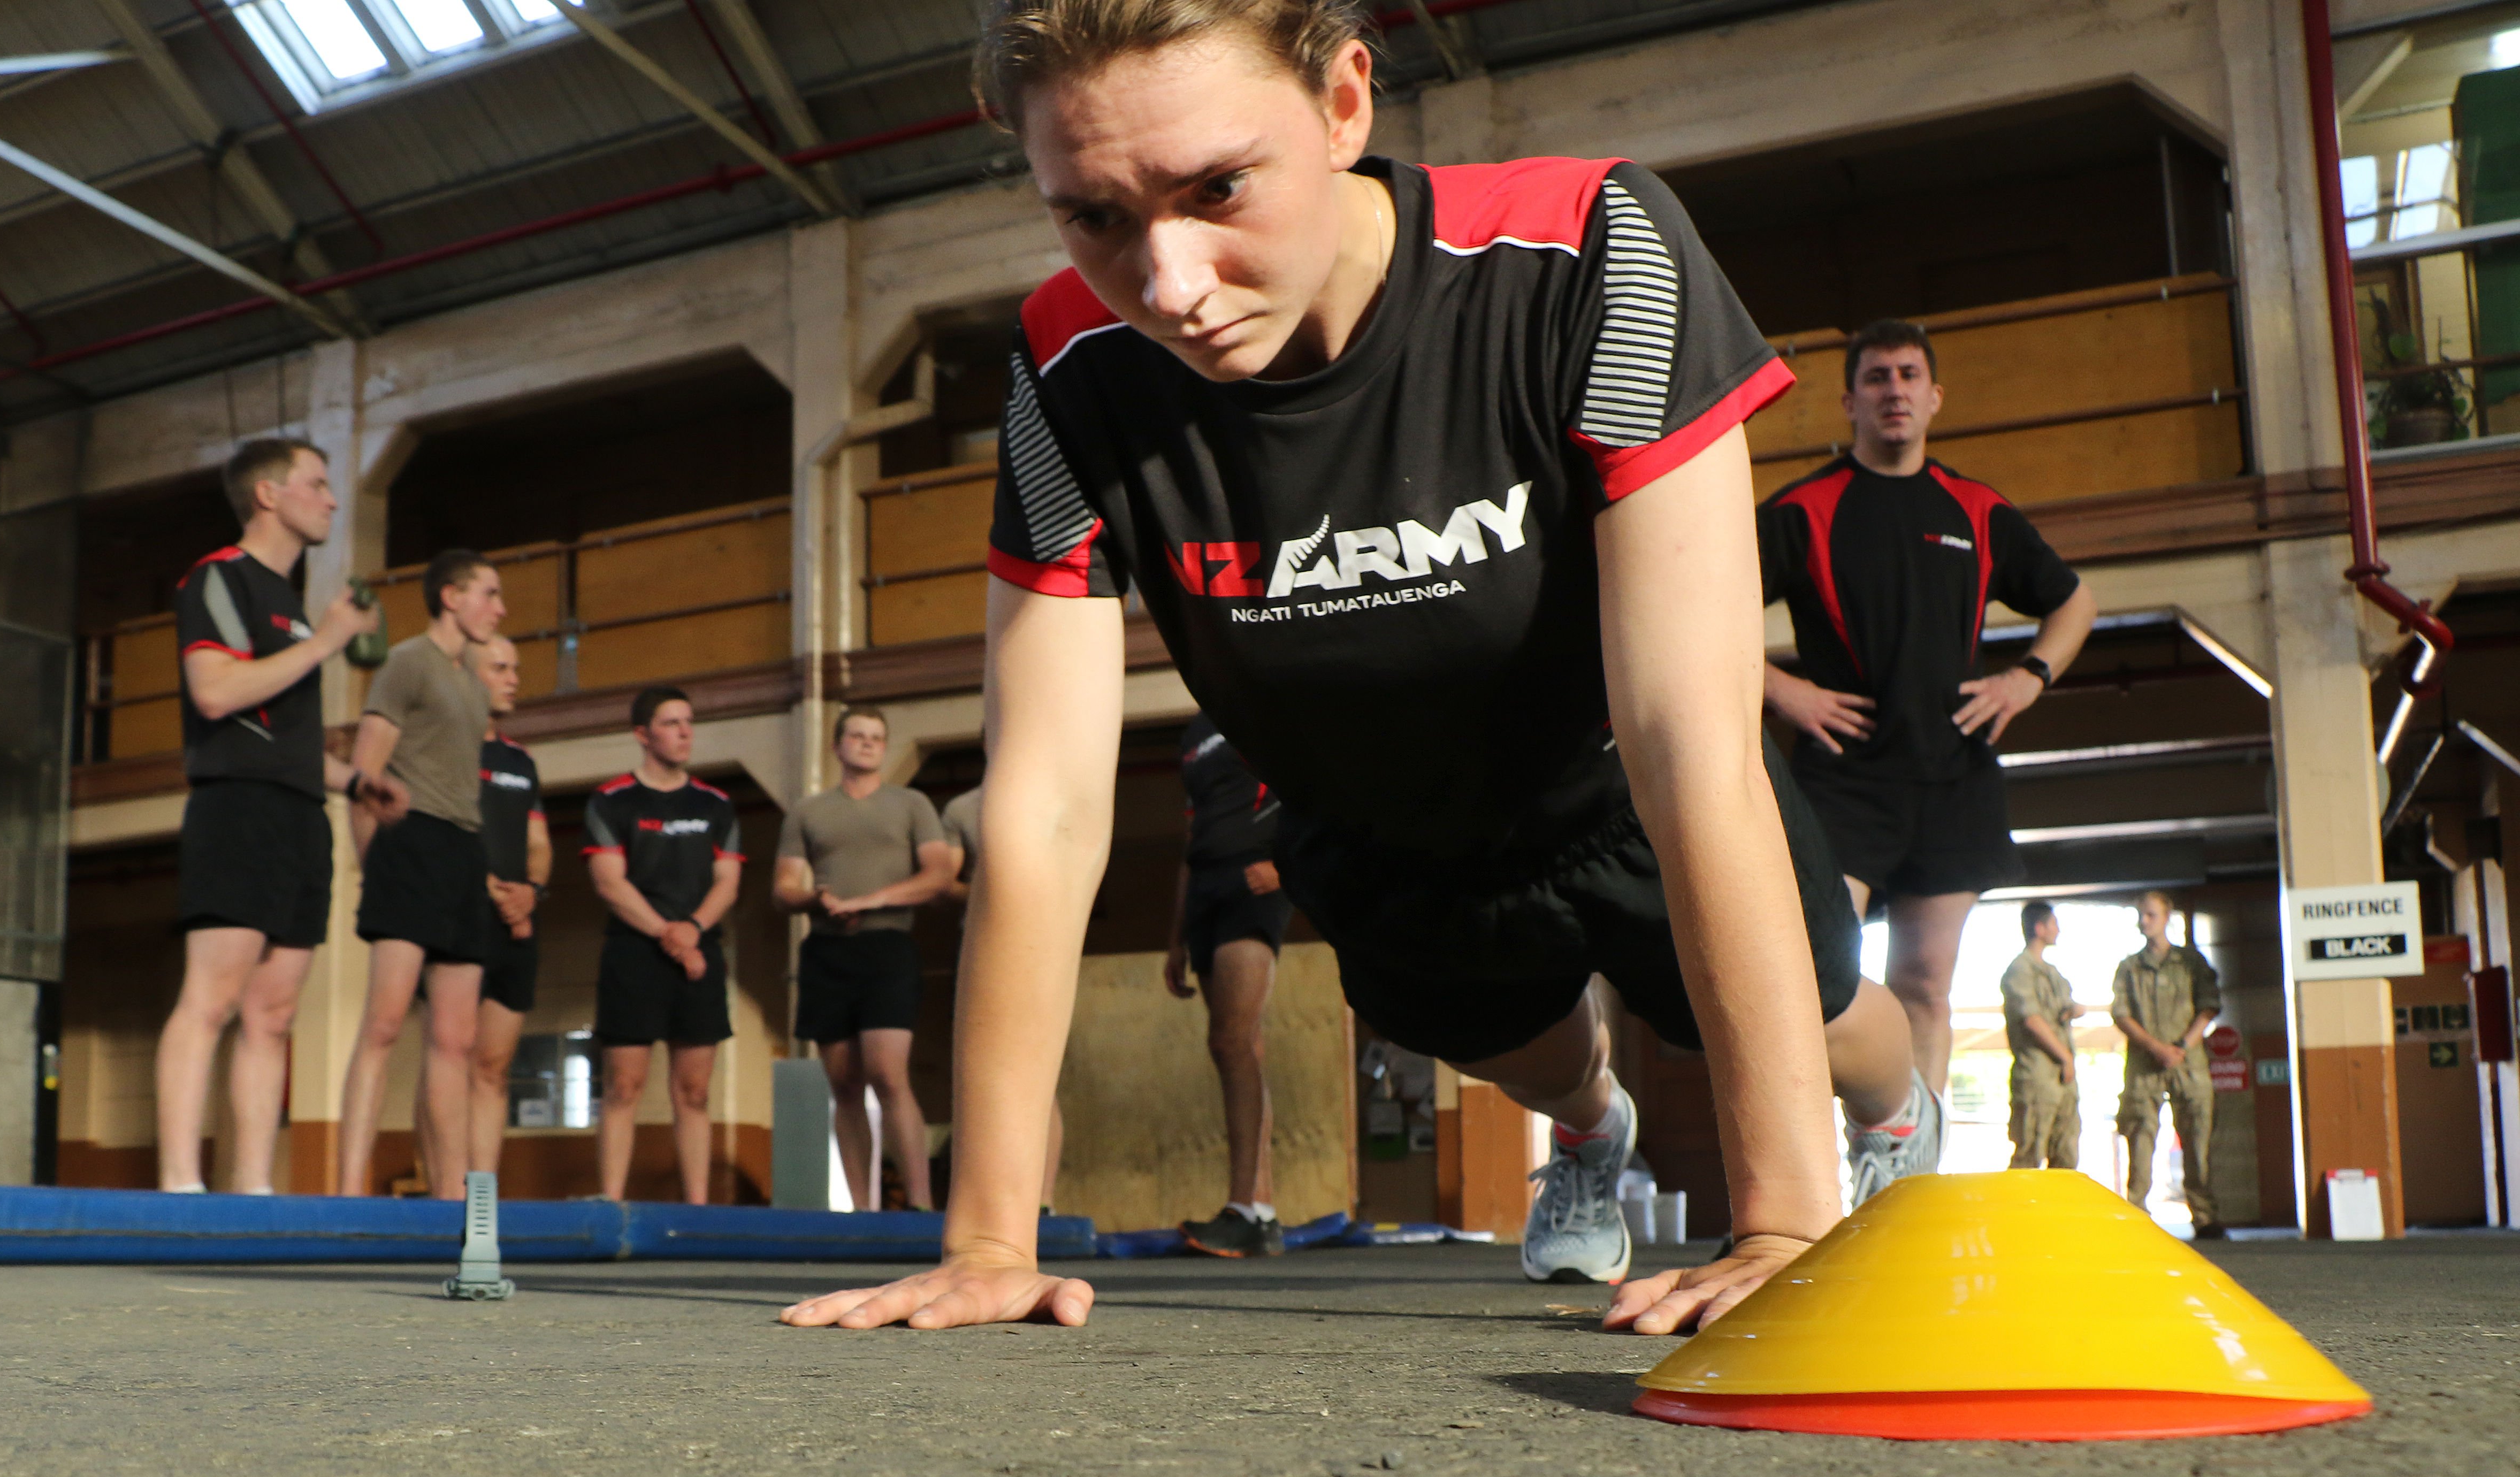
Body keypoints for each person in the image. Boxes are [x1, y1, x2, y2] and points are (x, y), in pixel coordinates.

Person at [783, 0, 1925, 1337]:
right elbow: (1038, 808)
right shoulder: (1066, 368)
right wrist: (985, 1238)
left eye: (1218, 188)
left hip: (1618, 785)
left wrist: (1782, 1216)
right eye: (1091, 216)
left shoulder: (1583, 249)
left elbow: (1688, 733)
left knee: (1836, 1015)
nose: (1169, 284)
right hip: (1377, 830)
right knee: (1538, 1056)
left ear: (1341, 106)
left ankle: (1896, 1111)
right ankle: (1592, 1129)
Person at [1758, 322, 2099, 1129]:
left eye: (1910, 375)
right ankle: (1855, 1146)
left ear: (1935, 396)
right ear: (1850, 401)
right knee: (1819, 982)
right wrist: (1783, 692)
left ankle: (1912, 1170)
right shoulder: (1803, 510)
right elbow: (1701, 611)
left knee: (1924, 985)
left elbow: (2073, 601)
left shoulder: (1977, 509)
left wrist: (2029, 677)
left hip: (1954, 778)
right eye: (1876, 378)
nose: (1895, 390)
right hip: (1842, 780)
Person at [154, 438, 401, 1195]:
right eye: (317, 484)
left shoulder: (291, 608)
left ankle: (253, 1191)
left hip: (299, 814)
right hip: (237, 809)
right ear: (268, 494)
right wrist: (329, 641)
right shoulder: (219, 578)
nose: (331, 500)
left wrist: (356, 781)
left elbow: (282, 739)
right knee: (213, 1000)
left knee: (275, 1013)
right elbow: (217, 694)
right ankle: (179, 1186)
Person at [334, 551, 507, 1198]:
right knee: (382, 1026)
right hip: (409, 846)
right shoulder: (407, 661)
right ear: (452, 596)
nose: (500, 607)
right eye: (489, 593)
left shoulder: (472, 683)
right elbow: (365, 776)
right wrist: (372, 866)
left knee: (456, 1040)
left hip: (464, 851)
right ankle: (349, 1193)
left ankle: (451, 1197)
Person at [776, 707, 957, 1212]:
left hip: (889, 948)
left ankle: (920, 1205)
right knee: (845, 1082)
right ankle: (861, 1210)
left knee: (888, 1073)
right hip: (828, 951)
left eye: (877, 737)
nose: (868, 743)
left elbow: (939, 874)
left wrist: (871, 901)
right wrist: (818, 899)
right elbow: (784, 887)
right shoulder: (808, 811)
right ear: (838, 746)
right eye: (857, 735)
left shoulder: (912, 803)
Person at [584, 687, 743, 1204]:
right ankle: (611, 1201)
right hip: (635, 955)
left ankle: (697, 1208)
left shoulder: (714, 805)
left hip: (700, 954)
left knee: (694, 1092)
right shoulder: (611, 801)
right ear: (643, 735)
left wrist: (693, 929)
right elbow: (610, 883)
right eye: (672, 722)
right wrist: (669, 935)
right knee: (624, 1086)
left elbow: (727, 882)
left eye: (688, 722)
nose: (684, 732)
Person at [414, 634, 549, 1188]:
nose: (514, 677)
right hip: (456, 918)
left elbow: (538, 843)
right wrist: (483, 884)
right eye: (501, 667)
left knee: (493, 1068)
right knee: (447, 1054)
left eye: (516, 667)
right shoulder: (441, 746)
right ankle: (444, 1194)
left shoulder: (520, 761)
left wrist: (530, 891)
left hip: (514, 926)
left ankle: (480, 1202)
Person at [1162, 713, 1289, 1258]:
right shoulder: (1194, 735)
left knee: (1232, 1041)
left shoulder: (1264, 699)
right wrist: (1175, 937)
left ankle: (1245, 1208)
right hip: (1206, 886)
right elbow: (1192, 836)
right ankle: (1259, 1212)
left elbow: (1322, 794)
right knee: (1241, 1047)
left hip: (1254, 877)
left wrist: (1288, 868)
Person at [945, 783, 1066, 1212]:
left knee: (1038, 1073)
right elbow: (949, 880)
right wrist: (992, 883)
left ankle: (1043, 1201)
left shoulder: (1055, 792)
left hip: (1043, 939)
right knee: (986, 1070)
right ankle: (992, 1209)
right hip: (984, 943)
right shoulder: (964, 808)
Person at [2109, 890, 2224, 1237]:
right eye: (2141, 915)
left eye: (2151, 915)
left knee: (2198, 1137)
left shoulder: (2191, 962)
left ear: (2167, 917)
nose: (2144, 921)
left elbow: (2209, 1005)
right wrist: (2156, 1047)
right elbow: (2121, 1013)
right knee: (2141, 1136)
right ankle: (2137, 1215)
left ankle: (2205, 1216)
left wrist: (2181, 1046)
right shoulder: (2129, 966)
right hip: (2146, 1064)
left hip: (2188, 1061)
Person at [1999, 899, 2082, 1170]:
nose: (2058, 930)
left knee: (2066, 1156)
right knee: (2028, 1157)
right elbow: (2032, 1021)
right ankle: (2019, 1214)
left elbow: (2059, 1009)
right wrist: (2065, 1057)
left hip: (2061, 1082)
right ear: (2039, 928)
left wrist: (2073, 1010)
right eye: (2054, 924)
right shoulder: (2020, 970)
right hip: (2037, 1079)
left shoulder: (2052, 973)